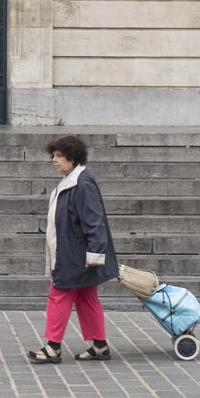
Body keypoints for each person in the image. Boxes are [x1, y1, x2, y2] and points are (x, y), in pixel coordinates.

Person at [28, 135, 121, 364]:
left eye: (59, 156)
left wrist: (95, 253)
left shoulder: (82, 182)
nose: (55, 160)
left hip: (74, 254)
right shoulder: (72, 180)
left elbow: (94, 220)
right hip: (77, 252)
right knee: (86, 297)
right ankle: (99, 345)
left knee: (58, 295)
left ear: (73, 157)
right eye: (54, 156)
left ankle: (53, 347)